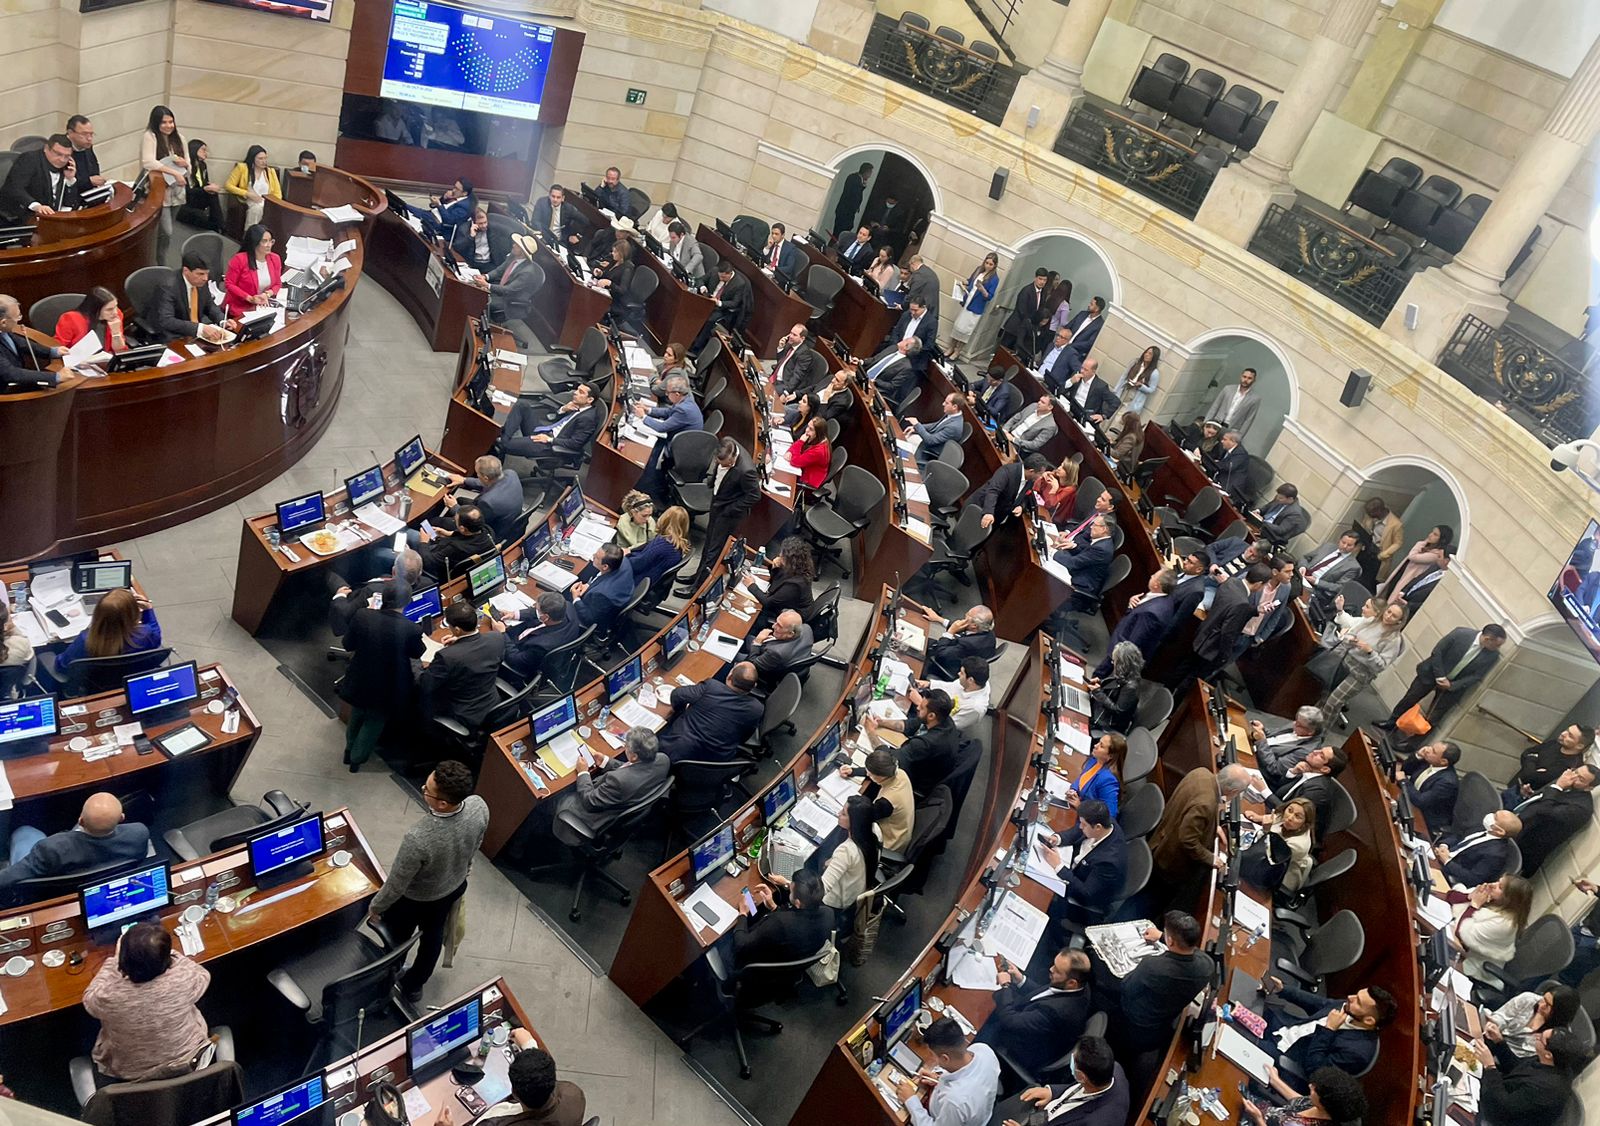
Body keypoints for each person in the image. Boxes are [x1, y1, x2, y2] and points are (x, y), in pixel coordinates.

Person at [367, 761, 488, 1002]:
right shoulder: (479, 806)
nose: (423, 789)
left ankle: (385, 977)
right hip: (452, 888)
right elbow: (477, 842)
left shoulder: (418, 837)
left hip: (415, 900)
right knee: (432, 938)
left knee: (397, 940)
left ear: (442, 803)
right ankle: (413, 986)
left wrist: (376, 907)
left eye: (427, 789)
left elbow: (397, 884)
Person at [83, 921, 211, 1083]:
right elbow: (203, 975)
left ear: (123, 962)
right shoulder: (184, 979)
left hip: (132, 1073)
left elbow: (89, 998)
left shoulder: (108, 997)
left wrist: (115, 960)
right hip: (189, 1059)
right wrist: (166, 953)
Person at [338, 579, 423, 771]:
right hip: (388, 688)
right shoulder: (412, 629)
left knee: (357, 714)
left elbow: (347, 644)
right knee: (373, 723)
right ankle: (356, 759)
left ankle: (348, 750)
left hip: (360, 679)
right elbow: (417, 653)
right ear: (407, 602)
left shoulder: (362, 616)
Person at [977, 948, 1092, 1081]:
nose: (1051, 969)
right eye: (1054, 964)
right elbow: (1047, 995)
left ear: (1072, 983)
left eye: (1057, 971)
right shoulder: (1080, 988)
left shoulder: (1056, 1012)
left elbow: (1010, 1021)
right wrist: (1021, 980)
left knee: (979, 1025)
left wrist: (1005, 986)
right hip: (1034, 1026)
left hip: (1022, 1048)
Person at [1111, 911, 1215, 1060]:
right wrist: (1161, 936)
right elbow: (1191, 951)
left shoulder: (1153, 966)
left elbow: (1126, 987)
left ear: (1171, 941)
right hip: (1163, 1022)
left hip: (1135, 1021)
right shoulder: (1207, 965)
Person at [1260, 977, 1396, 1089]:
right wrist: (1283, 990)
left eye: (1358, 1002)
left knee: (1243, 1037)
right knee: (1247, 999)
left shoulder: (1358, 1054)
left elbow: (1315, 1071)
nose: (1350, 997)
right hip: (1284, 1029)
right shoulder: (1349, 1008)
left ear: (1369, 1020)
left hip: (1288, 1059)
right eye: (1357, 994)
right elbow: (1319, 1003)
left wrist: (1328, 1030)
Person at [0, 792, 149, 894]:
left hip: (53, 879)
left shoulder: (51, 848)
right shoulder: (139, 833)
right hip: (98, 871)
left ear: (81, 821)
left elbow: (11, 876)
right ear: (122, 818)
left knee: (24, 832)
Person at [1149, 764, 1252, 904]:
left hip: (1162, 834)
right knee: (1152, 899)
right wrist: (1211, 858)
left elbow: (1189, 809)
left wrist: (1212, 825)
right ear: (1232, 791)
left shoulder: (1200, 772)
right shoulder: (1206, 804)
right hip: (1168, 860)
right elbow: (1187, 840)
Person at [1378, 623, 1506, 732]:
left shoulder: (1492, 656)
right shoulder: (1461, 634)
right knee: (1410, 698)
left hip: (1452, 686)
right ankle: (1392, 722)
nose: (1498, 648)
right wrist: (1440, 677)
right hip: (1432, 673)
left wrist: (1452, 685)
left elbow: (1476, 676)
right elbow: (1438, 651)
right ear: (1488, 639)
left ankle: (1411, 743)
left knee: (1435, 716)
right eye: (1497, 645)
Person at [769, 793, 876, 922]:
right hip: (853, 894)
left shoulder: (846, 851)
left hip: (833, 903)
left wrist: (788, 884)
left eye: (843, 813)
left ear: (854, 822)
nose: (838, 813)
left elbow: (821, 890)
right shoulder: (873, 831)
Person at [560, 727, 670, 839]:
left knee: (560, 799)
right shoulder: (663, 760)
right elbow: (634, 769)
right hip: (628, 798)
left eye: (626, 746)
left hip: (594, 815)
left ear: (634, 756)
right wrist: (604, 761)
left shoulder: (619, 781)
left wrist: (583, 772)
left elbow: (589, 802)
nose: (625, 747)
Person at [995, 1035, 1127, 1126]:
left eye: (1073, 1060)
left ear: (1081, 1076)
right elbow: (1077, 1089)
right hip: (1048, 1115)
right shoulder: (1112, 1068)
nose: (1070, 1059)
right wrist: (1052, 1092)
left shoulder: (1095, 1122)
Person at [419, 599, 508, 733]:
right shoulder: (496, 638)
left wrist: (415, 660)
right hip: (492, 703)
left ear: (457, 629)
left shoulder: (447, 657)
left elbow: (425, 685)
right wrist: (460, 642)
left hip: (464, 713)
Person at [1317, 596, 1407, 726]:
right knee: (1325, 696)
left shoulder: (1394, 640)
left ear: (1399, 622)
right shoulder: (1370, 621)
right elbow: (1349, 634)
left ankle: (1320, 734)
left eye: (1394, 616)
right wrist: (1351, 640)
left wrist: (1370, 652)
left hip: (1360, 674)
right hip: (1344, 662)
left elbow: (1381, 666)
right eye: (1388, 612)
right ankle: (1310, 727)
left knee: (1333, 702)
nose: (1388, 617)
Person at [895, 1016, 1000, 1126]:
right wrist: (939, 1079)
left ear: (945, 1058)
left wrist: (911, 1101)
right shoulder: (984, 1050)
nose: (932, 1058)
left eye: (932, 1055)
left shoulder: (954, 1101)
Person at [1473, 1026, 1591, 1122]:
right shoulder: (1552, 1062)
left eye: (1541, 1038)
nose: (1537, 1036)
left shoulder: (1545, 1089)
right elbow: (1517, 1068)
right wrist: (1499, 1042)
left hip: (1498, 1114)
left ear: (1548, 1054)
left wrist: (1490, 1066)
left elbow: (1501, 1107)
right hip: (1502, 1093)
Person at [473, 1027, 587, 1125]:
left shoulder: (494, 1120)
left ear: (514, 1094)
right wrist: (531, 1046)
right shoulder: (574, 1095)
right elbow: (542, 1076)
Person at [1041, 799, 1128, 928]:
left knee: (1041, 894)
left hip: (1081, 900)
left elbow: (1086, 893)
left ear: (1098, 827)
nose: (1080, 826)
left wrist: (1059, 867)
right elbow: (1078, 830)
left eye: (1084, 824)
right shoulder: (1106, 822)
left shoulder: (1109, 862)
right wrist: (1058, 839)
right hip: (1075, 864)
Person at [657, 662, 763, 763]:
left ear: (729, 677)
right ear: (754, 686)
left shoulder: (711, 687)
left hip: (677, 753)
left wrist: (679, 714)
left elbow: (677, 695)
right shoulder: (757, 709)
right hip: (716, 762)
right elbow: (743, 738)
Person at [728, 868, 832, 971]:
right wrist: (774, 907)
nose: (789, 889)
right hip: (789, 960)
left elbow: (741, 945)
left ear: (797, 903)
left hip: (759, 965)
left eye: (790, 891)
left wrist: (743, 913)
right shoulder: (829, 914)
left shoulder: (779, 923)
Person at [50, 587, 161, 682]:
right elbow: (157, 639)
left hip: (93, 685)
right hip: (130, 681)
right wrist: (148, 611)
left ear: (98, 613)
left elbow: (62, 666)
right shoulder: (145, 634)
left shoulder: (87, 640)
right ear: (133, 614)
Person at [497, 381, 603, 479]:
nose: (575, 393)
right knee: (522, 405)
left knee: (504, 445)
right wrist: (563, 409)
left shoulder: (588, 419)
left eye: (581, 392)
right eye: (577, 390)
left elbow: (575, 444)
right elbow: (556, 420)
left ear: (590, 400)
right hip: (546, 431)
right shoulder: (578, 406)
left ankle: (503, 442)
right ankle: (503, 436)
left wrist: (549, 440)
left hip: (551, 446)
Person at [866, 687, 959, 796]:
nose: (918, 707)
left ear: (931, 716)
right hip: (918, 761)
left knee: (873, 767)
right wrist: (882, 722)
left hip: (915, 784)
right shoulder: (943, 719)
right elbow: (908, 725)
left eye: (922, 707)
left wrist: (870, 731)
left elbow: (888, 759)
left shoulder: (927, 744)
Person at [694, 438, 760, 586]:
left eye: (726, 464)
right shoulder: (727, 442)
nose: (723, 466)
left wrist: (730, 509)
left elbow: (754, 496)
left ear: (733, 459)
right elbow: (717, 467)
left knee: (714, 550)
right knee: (708, 542)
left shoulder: (746, 470)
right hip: (718, 502)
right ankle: (697, 576)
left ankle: (698, 588)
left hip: (729, 513)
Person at [1512, 763, 1597, 875]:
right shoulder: (1566, 781)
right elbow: (1544, 799)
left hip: (1524, 847)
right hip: (1514, 825)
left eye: (1580, 779)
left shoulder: (1581, 808)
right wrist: (1530, 796)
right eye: (1575, 772)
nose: (1573, 777)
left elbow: (1544, 812)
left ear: (1589, 787)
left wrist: (1558, 787)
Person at [877, 658, 991, 737]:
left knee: (897, 709)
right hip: (935, 706)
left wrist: (921, 704)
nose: (958, 674)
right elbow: (951, 687)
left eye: (961, 673)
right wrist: (928, 684)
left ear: (971, 680)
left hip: (932, 726)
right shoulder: (975, 683)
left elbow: (946, 725)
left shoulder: (975, 708)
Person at [1451, 873, 1533, 980]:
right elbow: (1450, 897)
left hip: (1476, 967)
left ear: (1509, 899)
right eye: (1498, 881)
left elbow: (1462, 934)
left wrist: (1474, 905)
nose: (1493, 885)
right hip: (1462, 950)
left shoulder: (1505, 924)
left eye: (1500, 887)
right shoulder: (1490, 899)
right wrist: (1469, 896)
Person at [1096, 574, 1175, 678]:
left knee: (1100, 675)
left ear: (1157, 584)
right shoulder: (1161, 596)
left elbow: (1133, 643)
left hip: (1121, 649)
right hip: (1123, 639)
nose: (1151, 576)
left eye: (1154, 576)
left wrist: (1117, 656)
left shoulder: (1151, 614)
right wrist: (1131, 604)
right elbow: (1135, 614)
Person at [331, 550, 422, 636]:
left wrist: (340, 595)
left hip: (363, 623)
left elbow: (346, 613)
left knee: (329, 574)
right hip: (396, 626)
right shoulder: (428, 584)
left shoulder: (372, 591)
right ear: (419, 573)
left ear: (393, 570)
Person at [1241, 1065, 1368, 1126]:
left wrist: (1258, 1119)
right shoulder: (1320, 1106)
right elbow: (1297, 1101)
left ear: (1325, 1103)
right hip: (1261, 1110)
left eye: (1314, 1090)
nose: (1310, 1087)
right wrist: (1275, 1080)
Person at [149, 251, 231, 343]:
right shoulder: (168, 287)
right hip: (174, 336)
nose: (205, 278)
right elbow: (167, 321)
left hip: (195, 332)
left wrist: (222, 320)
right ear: (186, 271)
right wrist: (200, 328)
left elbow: (209, 304)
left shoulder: (200, 281)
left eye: (206, 273)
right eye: (200, 274)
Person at [1505, 723, 1596, 806]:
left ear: (1579, 746)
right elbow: (1526, 753)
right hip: (1514, 786)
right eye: (1567, 730)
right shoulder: (1555, 743)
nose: (1563, 734)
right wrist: (1533, 764)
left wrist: (1532, 759)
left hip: (1523, 798)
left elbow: (1530, 777)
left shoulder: (1569, 767)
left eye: (1570, 736)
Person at [841, 748, 914, 851]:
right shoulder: (899, 772)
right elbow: (874, 771)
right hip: (899, 828)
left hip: (889, 842)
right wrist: (853, 771)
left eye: (870, 774)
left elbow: (863, 818)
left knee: (845, 826)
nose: (868, 775)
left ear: (880, 776)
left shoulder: (887, 802)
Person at [504, 593, 586, 682]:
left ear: (546, 617)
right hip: (542, 643)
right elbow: (539, 613)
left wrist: (502, 633)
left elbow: (515, 660)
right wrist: (514, 615)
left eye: (537, 608)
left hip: (521, 658)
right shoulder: (566, 607)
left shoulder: (541, 646)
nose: (534, 608)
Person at [1485, 984, 1582, 1059]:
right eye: (1544, 999)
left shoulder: (1553, 1036)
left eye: (1548, 1005)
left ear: (1558, 1012)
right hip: (1491, 1038)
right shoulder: (1528, 999)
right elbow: (1502, 1016)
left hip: (1506, 1058)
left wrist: (1500, 1042)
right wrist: (1495, 1024)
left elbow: (1523, 1059)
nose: (1541, 1005)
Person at [442, 455, 523, 544]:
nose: (477, 475)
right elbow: (488, 483)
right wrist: (464, 480)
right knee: (460, 500)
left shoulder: (487, 502)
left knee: (436, 521)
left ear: (485, 478)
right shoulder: (511, 474)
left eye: (478, 474)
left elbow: (474, 523)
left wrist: (454, 507)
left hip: (491, 531)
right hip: (506, 518)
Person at [0, 132, 80, 222]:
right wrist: (36, 206)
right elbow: (14, 188)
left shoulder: (66, 167)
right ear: (46, 149)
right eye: (58, 154)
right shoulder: (29, 159)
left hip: (53, 218)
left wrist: (70, 180)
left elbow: (71, 203)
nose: (62, 160)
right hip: (22, 216)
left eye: (67, 156)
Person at [1434, 809, 1522, 888]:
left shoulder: (1495, 854)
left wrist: (1446, 861)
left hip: (1449, 875)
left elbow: (1473, 879)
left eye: (1495, 817)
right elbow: (1459, 835)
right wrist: (1444, 845)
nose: (1490, 815)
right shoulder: (1483, 827)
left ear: (1500, 831)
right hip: (1439, 856)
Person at [1248, 707, 1328, 790]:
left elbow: (1275, 768)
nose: (1294, 724)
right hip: (1254, 748)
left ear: (1310, 732)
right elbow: (1276, 737)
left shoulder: (1306, 751)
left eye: (1298, 724)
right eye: (1296, 720)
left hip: (1258, 767)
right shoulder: (1300, 726)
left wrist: (1261, 741)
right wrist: (1262, 729)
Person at [1051, 514, 1116, 613]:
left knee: (1046, 578)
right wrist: (1074, 547)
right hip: (1081, 572)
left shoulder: (1102, 549)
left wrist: (1052, 552)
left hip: (1081, 585)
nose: (1091, 527)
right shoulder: (1103, 541)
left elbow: (1073, 563)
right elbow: (1086, 554)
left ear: (1103, 529)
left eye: (1094, 525)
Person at [475, 233, 541, 328]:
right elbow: (499, 271)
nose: (513, 245)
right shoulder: (513, 256)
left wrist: (487, 285)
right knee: (476, 291)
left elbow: (508, 290)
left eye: (517, 245)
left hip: (510, 299)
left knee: (481, 300)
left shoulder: (527, 272)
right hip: (501, 290)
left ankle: (482, 328)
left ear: (522, 252)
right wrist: (485, 277)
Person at [689, 262, 754, 357]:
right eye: (720, 276)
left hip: (721, 308)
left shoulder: (740, 283)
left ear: (730, 273)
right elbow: (700, 280)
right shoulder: (715, 271)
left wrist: (719, 303)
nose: (721, 279)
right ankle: (687, 339)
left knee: (709, 320)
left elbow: (735, 303)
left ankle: (696, 348)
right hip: (707, 299)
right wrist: (702, 286)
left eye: (723, 278)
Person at [1297, 532, 1363, 625]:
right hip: (1301, 576)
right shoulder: (1328, 546)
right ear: (1339, 540)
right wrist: (1302, 567)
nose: (1344, 546)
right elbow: (1305, 557)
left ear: (1355, 547)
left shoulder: (1353, 567)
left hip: (1316, 589)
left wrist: (1317, 581)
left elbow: (1339, 587)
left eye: (1349, 545)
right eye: (1343, 542)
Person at [567, 543, 636, 631]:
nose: (593, 556)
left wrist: (576, 598)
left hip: (596, 617)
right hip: (616, 592)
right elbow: (601, 577)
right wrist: (589, 585)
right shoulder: (624, 561)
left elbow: (589, 619)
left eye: (596, 557)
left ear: (605, 566)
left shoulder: (602, 594)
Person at [1396, 740, 1462, 830]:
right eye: (1431, 746)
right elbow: (1406, 770)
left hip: (1424, 820)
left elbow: (1421, 801)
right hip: (1409, 800)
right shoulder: (1430, 761)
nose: (1427, 750)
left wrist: (1403, 781)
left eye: (1433, 751)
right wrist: (1418, 756)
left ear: (1443, 761)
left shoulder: (1448, 783)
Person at [417, 505, 495, 581]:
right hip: (458, 559)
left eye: (455, 520)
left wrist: (424, 542)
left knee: (413, 536)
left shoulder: (454, 548)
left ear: (462, 528)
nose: (453, 519)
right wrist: (449, 533)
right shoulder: (488, 532)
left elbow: (429, 562)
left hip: (438, 568)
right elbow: (469, 536)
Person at [752, 537, 816, 630]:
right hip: (789, 605)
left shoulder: (795, 585)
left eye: (782, 555)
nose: (779, 555)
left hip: (792, 616)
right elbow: (775, 583)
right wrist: (775, 568)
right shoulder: (800, 567)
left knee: (756, 612)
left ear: (789, 560)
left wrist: (751, 585)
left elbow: (768, 602)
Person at [1379, 525, 1453, 604]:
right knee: (1386, 593)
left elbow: (1413, 556)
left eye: (1435, 534)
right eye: (1432, 532)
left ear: (1442, 539)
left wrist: (1423, 542)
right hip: (1402, 573)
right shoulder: (1426, 548)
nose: (1430, 535)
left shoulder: (1436, 555)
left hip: (1409, 579)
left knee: (1392, 600)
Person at [222, 223, 283, 319]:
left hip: (262, 306)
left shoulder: (275, 258)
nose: (269, 245)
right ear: (254, 242)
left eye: (271, 241)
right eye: (264, 241)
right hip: (240, 307)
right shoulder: (239, 259)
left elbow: (278, 284)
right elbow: (229, 284)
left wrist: (267, 294)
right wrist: (250, 298)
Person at [949, 252, 1000, 361]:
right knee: (958, 325)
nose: (988, 266)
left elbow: (989, 296)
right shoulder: (978, 270)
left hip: (976, 307)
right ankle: (951, 347)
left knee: (966, 330)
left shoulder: (994, 279)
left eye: (991, 264)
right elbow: (970, 280)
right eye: (986, 263)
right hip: (968, 300)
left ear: (995, 265)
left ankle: (957, 351)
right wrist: (965, 282)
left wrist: (982, 289)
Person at [744, 609, 813, 688]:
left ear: (791, 634)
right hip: (782, 652)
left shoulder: (776, 652)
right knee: (747, 637)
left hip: (765, 669)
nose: (773, 626)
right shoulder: (807, 628)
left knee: (733, 655)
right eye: (776, 622)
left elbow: (753, 664)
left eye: (779, 626)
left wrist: (757, 642)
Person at [926, 606, 997, 680]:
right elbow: (961, 627)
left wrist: (950, 632)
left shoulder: (968, 644)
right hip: (959, 654)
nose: (964, 616)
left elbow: (941, 654)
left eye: (967, 616)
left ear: (974, 625)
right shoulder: (987, 631)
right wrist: (939, 619)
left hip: (946, 665)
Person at [53, 287, 127, 357]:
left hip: (104, 361)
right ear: (95, 309)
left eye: (116, 306)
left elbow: (119, 350)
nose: (115, 312)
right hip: (78, 362)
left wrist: (116, 333)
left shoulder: (116, 316)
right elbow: (58, 348)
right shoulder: (71, 319)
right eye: (109, 309)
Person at [1089, 641, 1144, 734]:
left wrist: (1098, 692)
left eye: (1114, 661)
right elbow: (1115, 687)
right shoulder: (1128, 672)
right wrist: (1101, 683)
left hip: (1109, 723)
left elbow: (1118, 710)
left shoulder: (1131, 688)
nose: (1112, 663)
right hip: (1102, 710)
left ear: (1122, 664)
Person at [627, 505, 690, 587]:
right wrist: (630, 552)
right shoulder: (677, 544)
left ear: (665, 519)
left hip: (637, 581)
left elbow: (637, 565)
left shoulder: (663, 544)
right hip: (652, 581)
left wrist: (622, 556)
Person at [1266, 796, 1318, 894]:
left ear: (1305, 824)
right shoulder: (1289, 821)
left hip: (1279, 877)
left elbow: (1270, 858)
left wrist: (1265, 830)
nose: (1290, 817)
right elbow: (1276, 817)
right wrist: (1258, 817)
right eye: (1290, 810)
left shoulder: (1298, 845)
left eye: (1298, 816)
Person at [1000, 269, 1054, 361]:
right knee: (1003, 351)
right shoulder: (1027, 290)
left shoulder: (1043, 292)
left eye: (1044, 280)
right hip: (1015, 327)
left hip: (1026, 330)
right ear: (1035, 278)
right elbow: (1022, 311)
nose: (1042, 282)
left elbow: (1040, 310)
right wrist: (1029, 326)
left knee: (1015, 357)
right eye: (1040, 279)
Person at [224, 144, 281, 229]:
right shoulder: (242, 168)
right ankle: (250, 234)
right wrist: (247, 193)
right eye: (260, 159)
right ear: (253, 159)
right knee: (256, 209)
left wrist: (272, 203)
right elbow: (228, 185)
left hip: (266, 201)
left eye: (265, 158)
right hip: (249, 200)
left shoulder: (271, 172)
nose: (264, 161)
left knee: (263, 208)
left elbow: (278, 193)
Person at [907, 392, 964, 470]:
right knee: (907, 436)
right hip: (926, 442)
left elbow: (930, 440)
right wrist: (916, 427)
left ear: (954, 407)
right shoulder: (952, 414)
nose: (943, 404)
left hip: (928, 451)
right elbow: (936, 425)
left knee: (903, 446)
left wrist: (917, 425)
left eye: (946, 403)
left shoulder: (954, 427)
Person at [865, 335, 922, 413]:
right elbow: (875, 359)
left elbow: (892, 386)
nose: (903, 339)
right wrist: (861, 362)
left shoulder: (906, 367)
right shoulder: (892, 348)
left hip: (874, 387)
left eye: (906, 340)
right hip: (864, 375)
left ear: (906, 347)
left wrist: (875, 381)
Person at [177, 137, 224, 231]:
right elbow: (187, 191)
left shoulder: (202, 165)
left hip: (198, 197)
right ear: (194, 149)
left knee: (213, 194)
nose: (205, 153)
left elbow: (204, 183)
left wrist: (210, 186)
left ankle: (220, 226)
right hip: (186, 202)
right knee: (203, 218)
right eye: (203, 150)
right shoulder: (187, 167)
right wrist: (205, 189)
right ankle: (218, 227)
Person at [771, 323, 826, 400]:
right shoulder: (789, 344)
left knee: (766, 392)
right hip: (775, 378)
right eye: (790, 333)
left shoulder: (804, 354)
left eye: (794, 335)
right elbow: (780, 362)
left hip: (785, 384)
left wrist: (786, 392)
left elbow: (797, 376)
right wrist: (780, 348)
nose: (790, 336)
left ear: (802, 338)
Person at [1061, 359, 1120, 425]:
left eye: (1086, 370)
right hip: (1069, 408)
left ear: (1093, 371)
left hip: (1084, 416)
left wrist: (1104, 416)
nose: (1082, 371)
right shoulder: (1076, 374)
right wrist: (1071, 382)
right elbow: (1061, 390)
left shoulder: (1100, 386)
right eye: (1082, 368)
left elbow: (1116, 402)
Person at [1253, 484, 1311, 548]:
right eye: (1278, 496)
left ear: (1290, 499)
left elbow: (1281, 530)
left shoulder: (1295, 514)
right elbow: (1267, 507)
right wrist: (1259, 511)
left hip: (1270, 534)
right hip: (1260, 525)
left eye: (1281, 498)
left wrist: (1263, 522)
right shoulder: (1279, 497)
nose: (1277, 498)